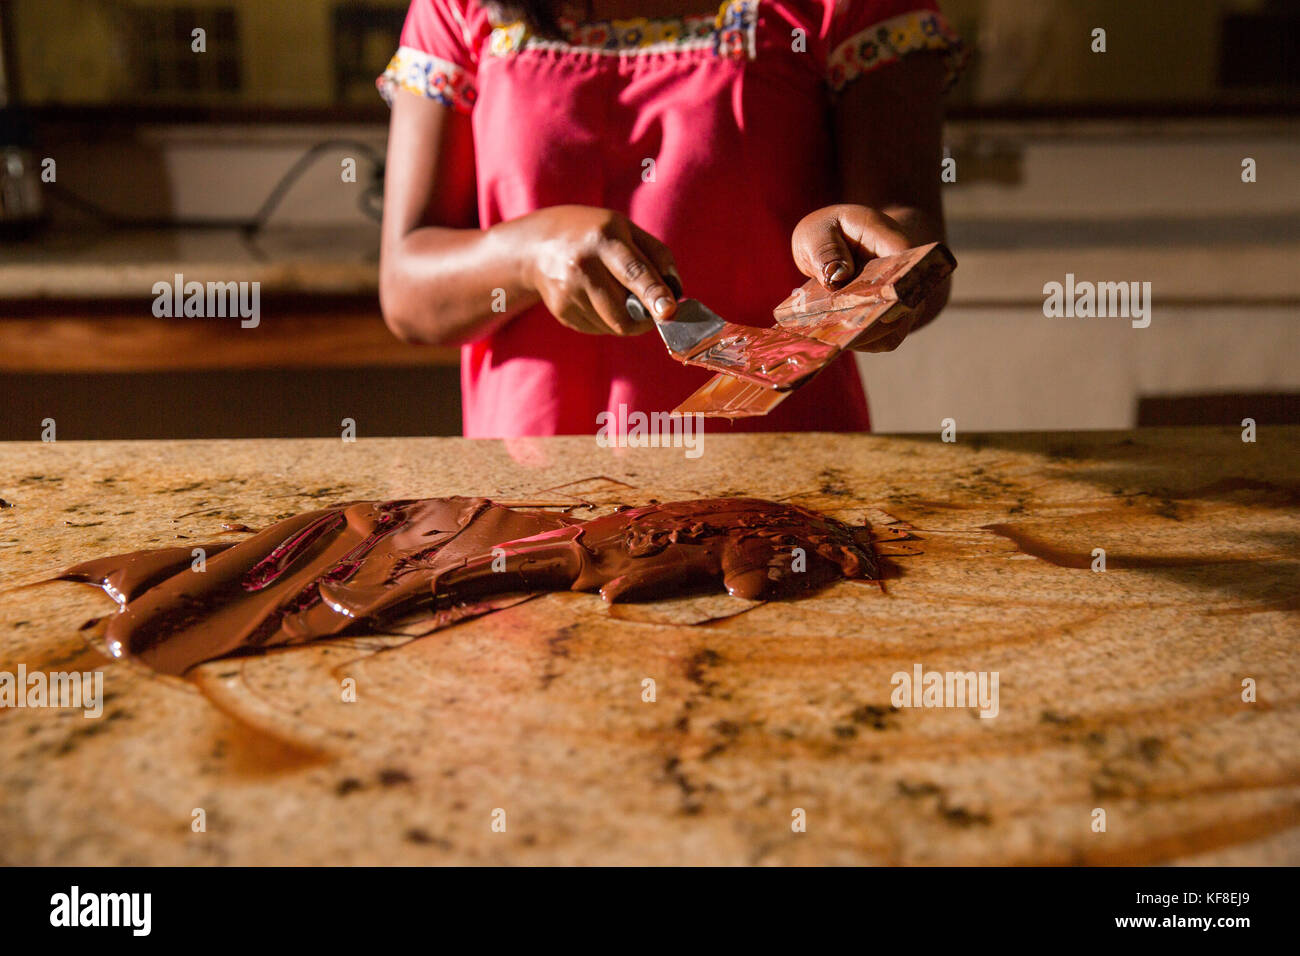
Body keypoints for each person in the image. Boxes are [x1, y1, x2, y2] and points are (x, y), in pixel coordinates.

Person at [377, 0, 962, 436]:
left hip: (784, 487)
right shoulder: (456, 9)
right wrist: (528, 255)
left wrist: (868, 263)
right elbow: (407, 290)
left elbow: (911, 237)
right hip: (530, 491)